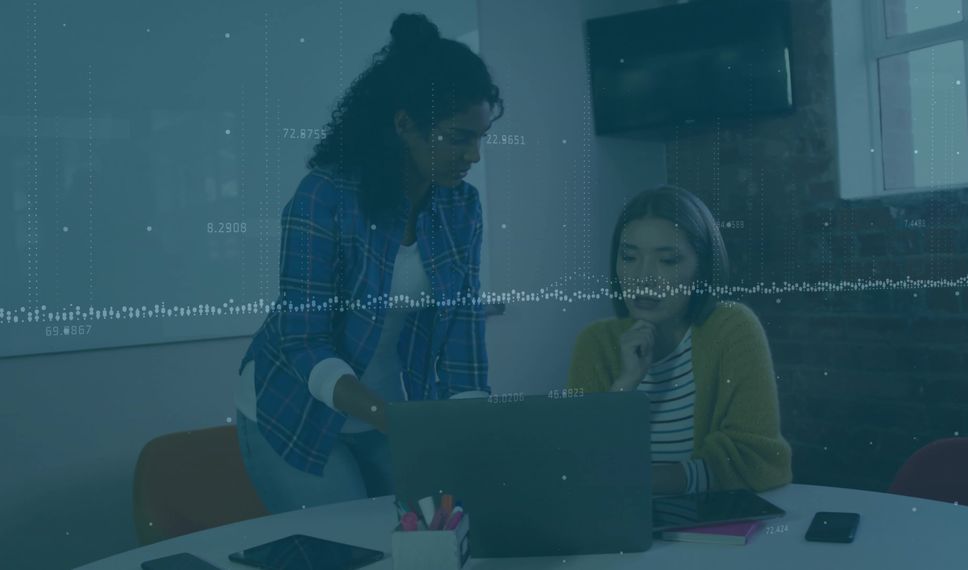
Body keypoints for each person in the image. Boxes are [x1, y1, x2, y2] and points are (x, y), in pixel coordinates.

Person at [234, 13, 503, 514]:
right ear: (404, 125)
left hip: (387, 414)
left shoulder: (461, 207)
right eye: (459, 137)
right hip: (296, 411)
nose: (475, 156)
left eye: (481, 137)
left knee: (427, 535)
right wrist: (395, 420)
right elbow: (303, 340)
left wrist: (469, 431)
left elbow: (464, 336)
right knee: (346, 548)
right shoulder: (325, 196)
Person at [568, 185, 792, 495]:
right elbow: (576, 461)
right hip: (616, 524)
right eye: (629, 257)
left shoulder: (732, 328)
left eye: (668, 261)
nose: (643, 277)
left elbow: (759, 458)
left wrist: (644, 482)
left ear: (702, 268)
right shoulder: (595, 342)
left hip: (708, 527)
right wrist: (625, 384)